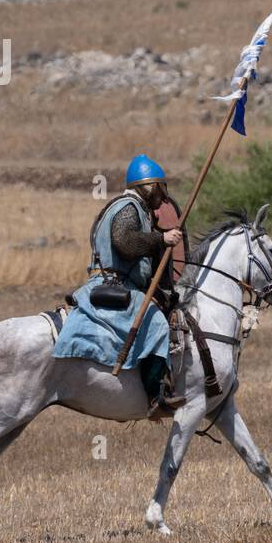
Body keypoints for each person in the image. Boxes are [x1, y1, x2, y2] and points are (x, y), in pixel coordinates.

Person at [53, 154, 181, 408]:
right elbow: (125, 242)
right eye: (160, 188)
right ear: (150, 185)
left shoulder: (133, 208)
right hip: (115, 285)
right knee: (156, 323)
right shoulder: (128, 207)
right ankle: (156, 395)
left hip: (117, 282)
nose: (163, 197)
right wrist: (160, 239)